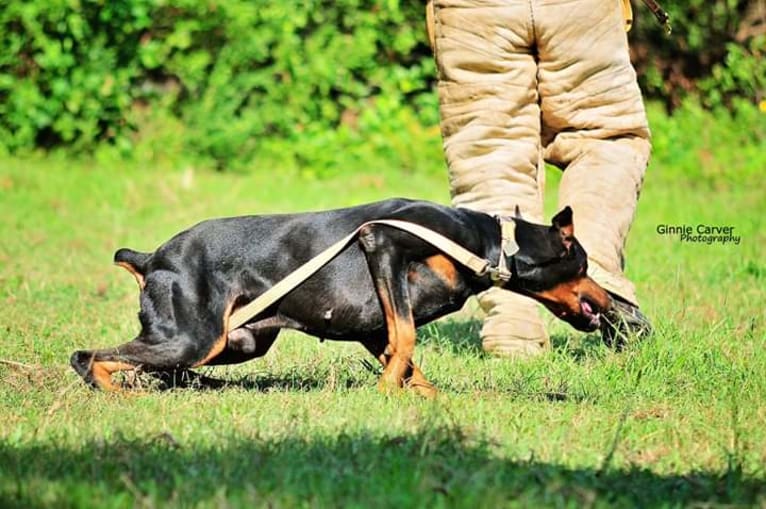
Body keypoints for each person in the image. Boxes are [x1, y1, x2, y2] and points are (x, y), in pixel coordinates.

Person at [426, 0, 653, 356]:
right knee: (605, 137)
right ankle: (596, 273)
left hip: (475, 11)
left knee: (490, 154)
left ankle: (512, 323)